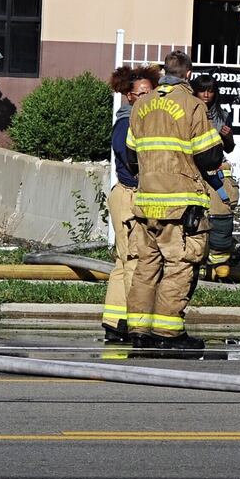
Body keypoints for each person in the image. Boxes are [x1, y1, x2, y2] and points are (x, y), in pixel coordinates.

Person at [124, 72, 224, 351]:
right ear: (188, 76)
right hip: (180, 206)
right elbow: (209, 156)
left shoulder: (141, 105)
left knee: (146, 267)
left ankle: (139, 329)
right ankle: (168, 332)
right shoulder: (192, 105)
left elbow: (131, 156)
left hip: (145, 204)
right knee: (179, 266)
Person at [101, 65, 158, 343]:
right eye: (143, 93)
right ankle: (137, 326)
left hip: (132, 195)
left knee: (123, 262)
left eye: (151, 92)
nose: (149, 98)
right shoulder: (126, 122)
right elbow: (131, 160)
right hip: (129, 196)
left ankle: (115, 321)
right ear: (129, 96)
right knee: (134, 259)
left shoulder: (140, 119)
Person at [189, 74, 240, 272]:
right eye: (202, 90)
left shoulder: (222, 115)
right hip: (193, 172)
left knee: (220, 214)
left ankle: (218, 264)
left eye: (210, 91)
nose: (206, 95)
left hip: (216, 172)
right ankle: (196, 261)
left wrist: (228, 137)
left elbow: (229, 148)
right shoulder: (188, 113)